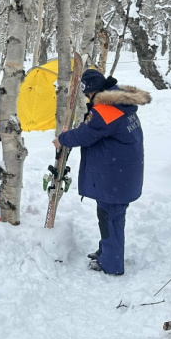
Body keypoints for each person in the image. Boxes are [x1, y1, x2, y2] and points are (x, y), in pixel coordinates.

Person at [53, 69, 150, 276]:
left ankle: (111, 263)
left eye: (87, 95)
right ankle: (107, 250)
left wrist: (62, 139)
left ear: (93, 92)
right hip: (122, 173)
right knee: (110, 217)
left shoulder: (107, 110)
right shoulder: (120, 105)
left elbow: (85, 135)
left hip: (114, 177)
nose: (88, 99)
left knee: (110, 217)